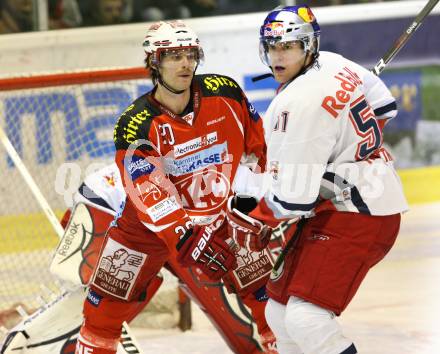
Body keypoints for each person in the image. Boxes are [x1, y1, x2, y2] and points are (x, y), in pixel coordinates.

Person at [75, 20, 277, 354]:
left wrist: (263, 203)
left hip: (220, 219)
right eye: (173, 55)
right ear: (154, 62)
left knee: (268, 296)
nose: (184, 63)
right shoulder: (135, 121)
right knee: (100, 319)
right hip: (142, 232)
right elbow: (149, 192)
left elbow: (262, 147)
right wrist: (186, 235)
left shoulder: (224, 93)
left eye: (189, 54)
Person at [226, 5, 408, 354]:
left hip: (360, 214)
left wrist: (243, 187)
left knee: (306, 318)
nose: (278, 56)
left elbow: (290, 202)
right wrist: (354, 151)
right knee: (278, 313)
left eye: (288, 47)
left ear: (308, 46)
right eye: (272, 46)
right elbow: (384, 107)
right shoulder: (333, 61)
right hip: (351, 201)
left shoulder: (296, 103)